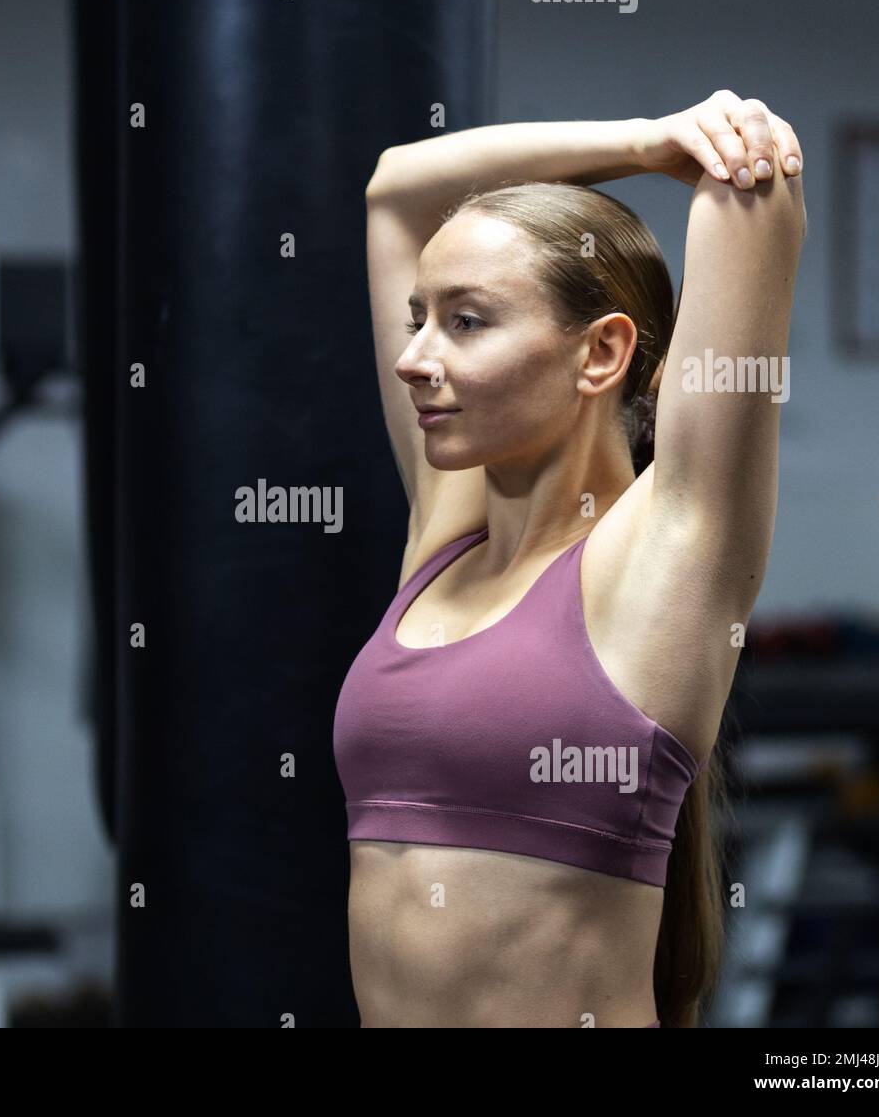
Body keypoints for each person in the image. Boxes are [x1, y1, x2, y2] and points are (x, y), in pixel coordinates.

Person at [333, 91, 806, 1027]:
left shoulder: (668, 554)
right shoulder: (449, 538)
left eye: (466, 322)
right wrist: (638, 141)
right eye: (419, 315)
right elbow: (395, 188)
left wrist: (732, 146)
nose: (412, 356)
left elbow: (753, 196)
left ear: (602, 354)